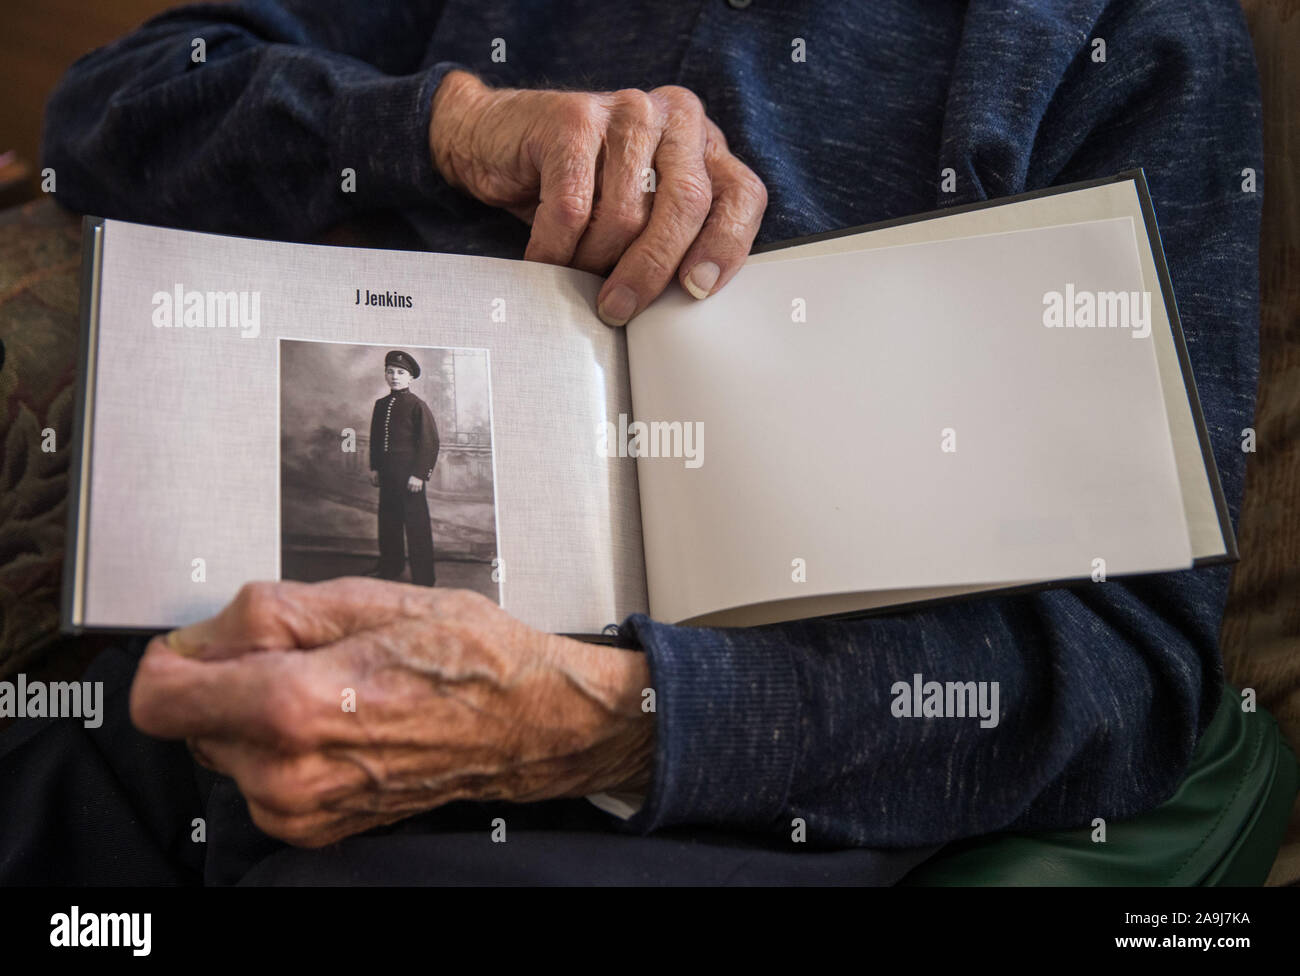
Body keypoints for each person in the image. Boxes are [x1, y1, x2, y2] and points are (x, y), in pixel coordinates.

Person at [0, 0, 1262, 883]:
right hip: (224, 645)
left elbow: (1130, 673)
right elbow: (106, 114)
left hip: (666, 796)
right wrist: (447, 126)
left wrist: (610, 720)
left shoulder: (1133, 32)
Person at [368, 350, 440, 586]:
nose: (395, 376)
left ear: (410, 378)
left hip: (410, 477)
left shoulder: (417, 405)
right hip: (387, 476)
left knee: (416, 526)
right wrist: (375, 467)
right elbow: (376, 439)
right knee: (388, 522)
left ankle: (424, 577)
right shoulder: (381, 405)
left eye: (400, 373)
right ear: (385, 375)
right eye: (390, 372)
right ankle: (390, 566)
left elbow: (430, 442)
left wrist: (419, 474)